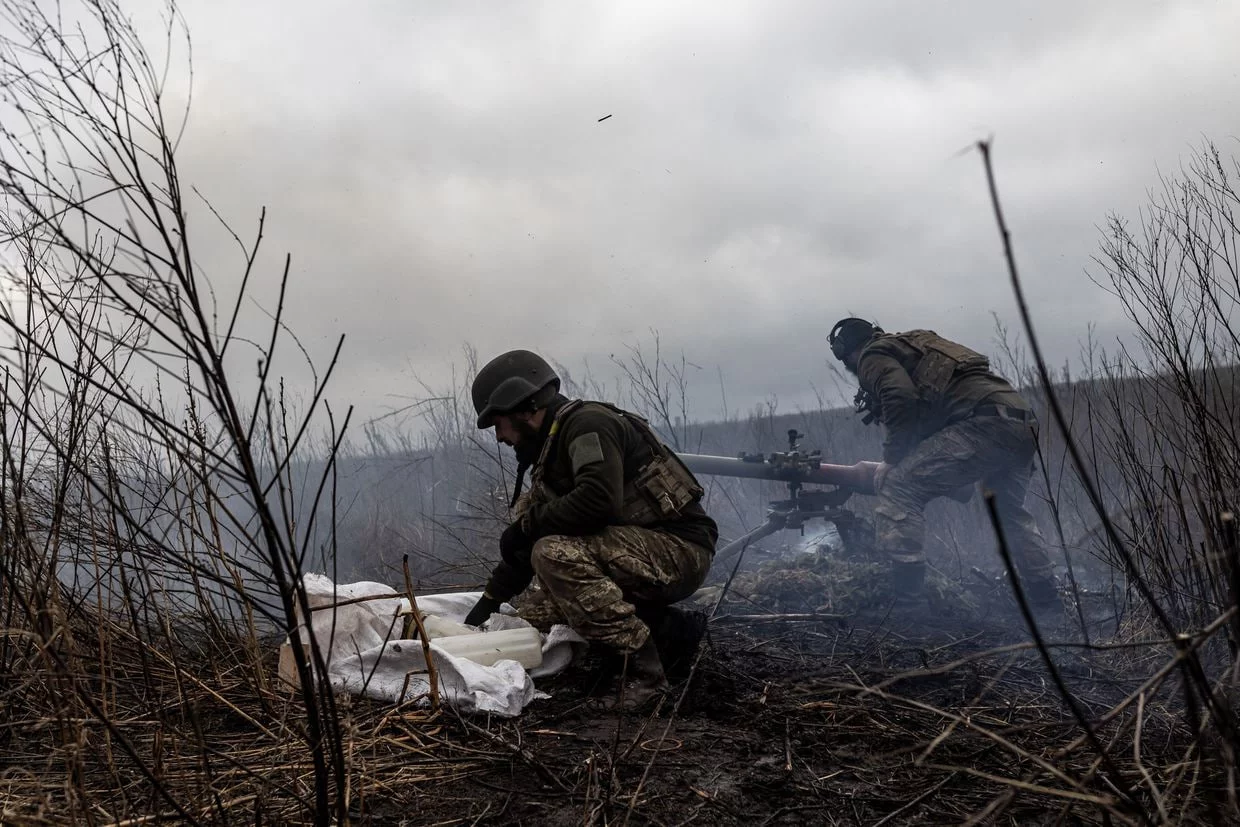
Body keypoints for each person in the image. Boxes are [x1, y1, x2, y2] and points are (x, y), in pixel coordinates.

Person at [462, 349, 718, 709]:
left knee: (552, 555)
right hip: (639, 552)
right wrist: (484, 609)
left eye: (497, 424)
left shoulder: (587, 425)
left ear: (523, 405)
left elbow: (598, 500)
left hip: (679, 550)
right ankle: (668, 633)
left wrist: (529, 526)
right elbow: (522, 551)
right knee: (534, 616)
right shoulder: (550, 452)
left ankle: (644, 675)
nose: (500, 437)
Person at [827, 318, 1060, 609]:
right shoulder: (916, 343)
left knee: (899, 486)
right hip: (1020, 424)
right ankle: (1047, 600)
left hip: (983, 424)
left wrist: (892, 458)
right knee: (1009, 514)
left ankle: (908, 604)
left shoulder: (871, 356)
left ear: (846, 351)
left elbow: (899, 395)